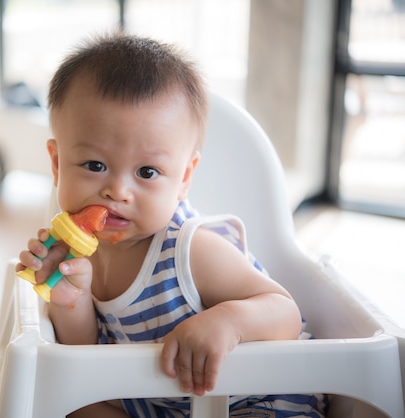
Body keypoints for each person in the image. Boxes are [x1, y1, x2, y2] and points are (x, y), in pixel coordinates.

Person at [17, 33, 328, 418]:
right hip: (156, 402)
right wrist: (70, 299)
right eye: (95, 166)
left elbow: (284, 312)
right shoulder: (80, 251)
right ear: (57, 163)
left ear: (183, 178)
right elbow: (86, 360)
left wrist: (226, 323)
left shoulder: (190, 250)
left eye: (147, 172)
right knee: (69, 402)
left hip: (254, 399)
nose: (117, 190)